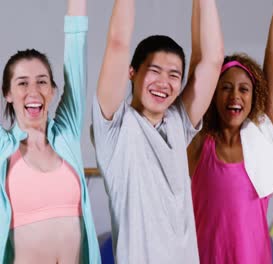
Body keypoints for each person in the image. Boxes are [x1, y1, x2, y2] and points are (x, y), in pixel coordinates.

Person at [91, 0, 224, 262]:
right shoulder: (115, 127)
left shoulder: (178, 122)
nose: (164, 82)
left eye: (174, 75)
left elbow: (211, 59)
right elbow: (118, 43)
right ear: (132, 72)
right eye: (154, 71)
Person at [188, 0, 273, 262]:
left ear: (254, 96)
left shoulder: (262, 139)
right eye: (225, 88)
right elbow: (197, 57)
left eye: (243, 89)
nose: (234, 96)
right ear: (213, 95)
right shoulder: (199, 142)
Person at [0, 0, 101, 262]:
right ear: (8, 94)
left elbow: (76, 47)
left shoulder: (66, 133)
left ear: (53, 90)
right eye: (22, 83)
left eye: (42, 81)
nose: (33, 91)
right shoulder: (2, 148)